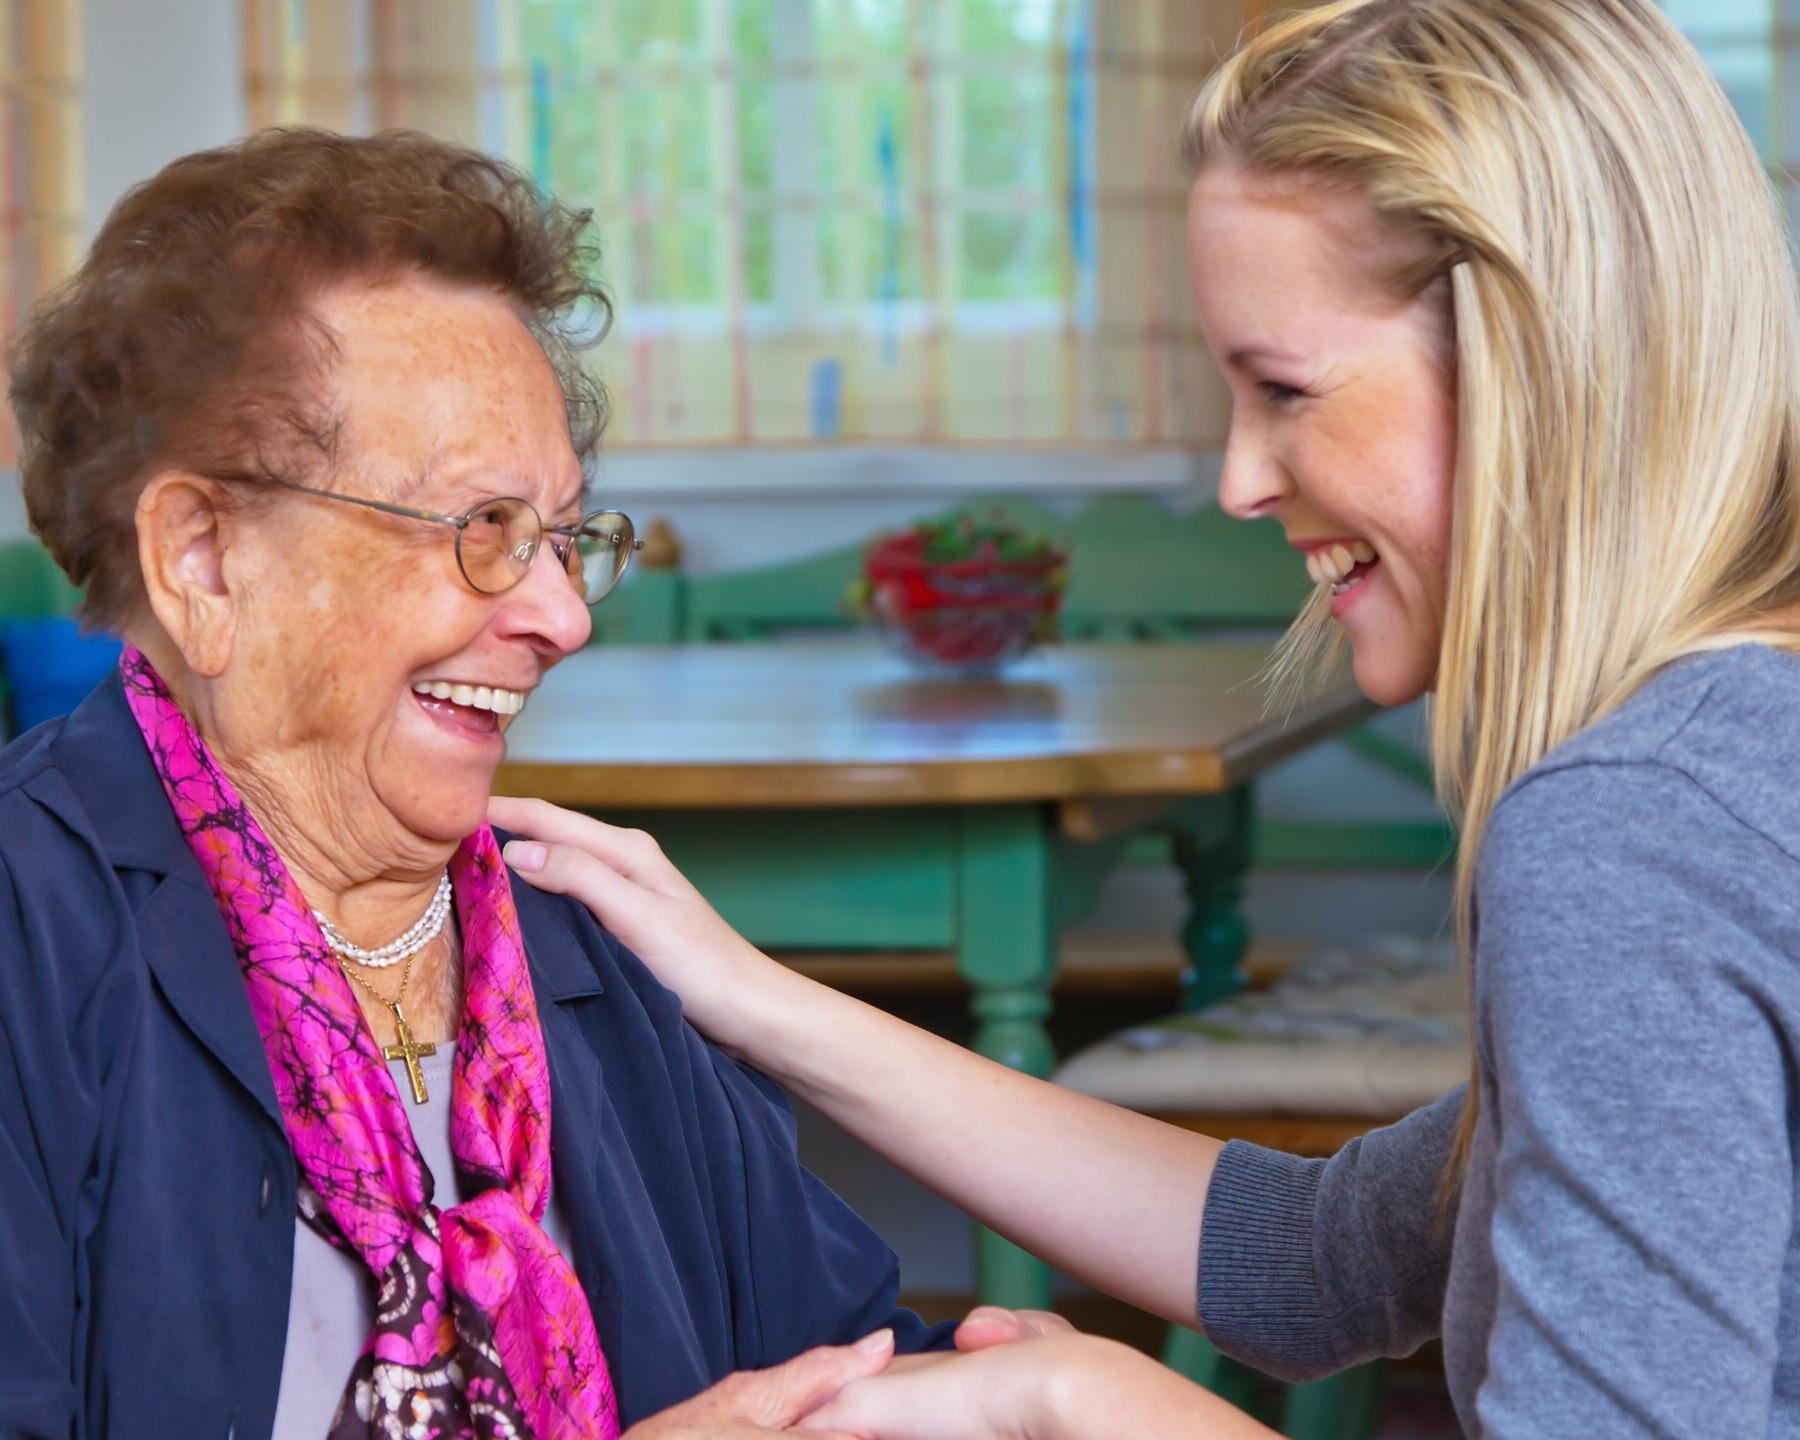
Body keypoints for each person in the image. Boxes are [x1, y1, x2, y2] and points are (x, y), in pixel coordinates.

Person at [492, 1, 1800, 1435]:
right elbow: (1319, 1260)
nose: (1243, 479)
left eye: (1284, 388)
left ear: (1534, 366)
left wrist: (1077, 1404)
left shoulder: (1633, 824)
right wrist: (753, 997)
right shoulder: (1738, 743)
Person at [0, 127, 955, 1440]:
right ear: (205, 558)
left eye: (563, 539)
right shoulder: (25, 937)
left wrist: (995, 1395)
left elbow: (838, 1363)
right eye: (482, 531)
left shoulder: (578, 940)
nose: (564, 617)